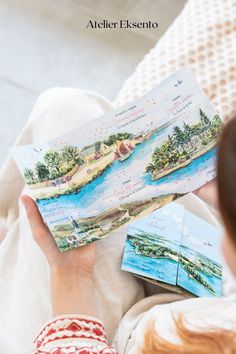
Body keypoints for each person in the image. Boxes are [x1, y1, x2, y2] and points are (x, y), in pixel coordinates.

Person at [20, 110, 236, 352]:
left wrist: (71, 274)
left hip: (126, 332)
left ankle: (12, 243)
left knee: (56, 115)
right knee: (68, 107)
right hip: (205, 301)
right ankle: (13, 233)